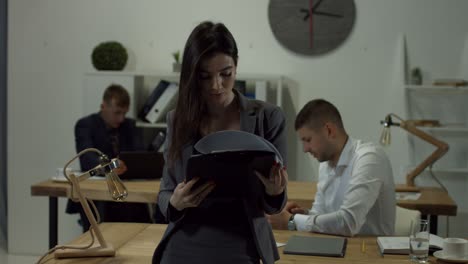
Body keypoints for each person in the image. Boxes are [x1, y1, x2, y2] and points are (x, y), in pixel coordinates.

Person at [152, 21, 288, 264]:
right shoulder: (178, 120)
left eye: (226, 74)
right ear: (193, 76)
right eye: (205, 77)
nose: (216, 86)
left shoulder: (269, 117)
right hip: (185, 239)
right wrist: (175, 201)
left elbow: (274, 204)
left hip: (242, 241)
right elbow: (165, 191)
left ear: (236, 65)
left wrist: (275, 191)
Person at [268, 99, 395, 236]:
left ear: (329, 130)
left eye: (308, 140)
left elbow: (348, 222)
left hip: (371, 253)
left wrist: (292, 221)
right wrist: (302, 214)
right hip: (337, 247)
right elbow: (320, 214)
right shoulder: (325, 164)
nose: (305, 149)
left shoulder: (369, 158)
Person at [66, 84, 152, 232]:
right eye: (117, 113)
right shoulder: (85, 125)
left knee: (141, 216)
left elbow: (140, 156)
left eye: (124, 113)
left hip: (126, 193)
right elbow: (87, 159)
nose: (121, 118)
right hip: (98, 193)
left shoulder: (129, 125)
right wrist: (110, 166)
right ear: (103, 106)